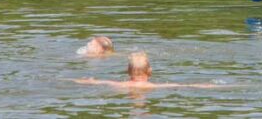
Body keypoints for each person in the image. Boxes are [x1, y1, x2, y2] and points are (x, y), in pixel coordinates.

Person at [73, 52, 218, 90]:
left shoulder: (120, 85)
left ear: (127, 71)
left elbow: (98, 82)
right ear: (150, 71)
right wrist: (203, 85)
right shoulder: (153, 87)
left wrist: (87, 81)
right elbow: (183, 86)